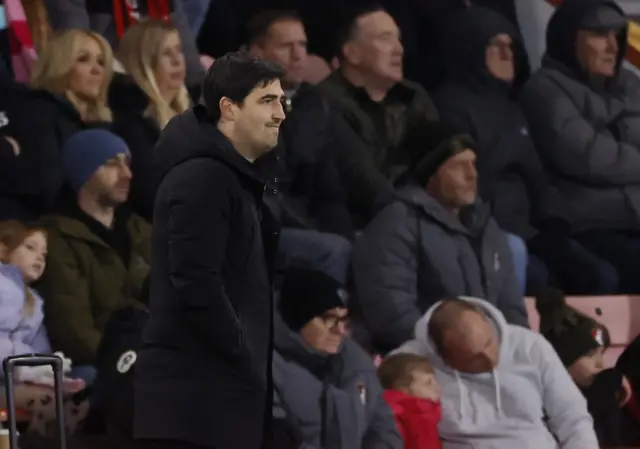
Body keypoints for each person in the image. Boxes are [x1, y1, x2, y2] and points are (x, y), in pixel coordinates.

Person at [133, 51, 284, 449]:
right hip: (194, 409)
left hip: (218, 404)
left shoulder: (232, 177)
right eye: (267, 101)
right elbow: (195, 281)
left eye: (282, 101)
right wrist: (241, 349)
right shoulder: (203, 176)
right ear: (228, 108)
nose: (280, 114)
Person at [434, 5, 619, 295]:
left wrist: (554, 222)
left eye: (511, 46)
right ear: (469, 48)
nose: (508, 55)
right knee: (538, 276)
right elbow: (465, 183)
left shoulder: (513, 107)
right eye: (495, 46)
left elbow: (537, 176)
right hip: (486, 232)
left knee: (599, 275)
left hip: (531, 230)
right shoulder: (449, 107)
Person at [353, 123, 527, 353]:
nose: (472, 175)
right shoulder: (396, 223)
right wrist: (454, 349)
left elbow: (511, 306)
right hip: (428, 361)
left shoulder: (486, 226)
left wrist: (512, 349)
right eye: (458, 166)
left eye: (473, 164)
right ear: (430, 176)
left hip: (486, 356)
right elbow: (391, 314)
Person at [519, 0, 640, 293]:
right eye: (600, 35)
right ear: (569, 40)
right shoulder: (544, 89)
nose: (613, 47)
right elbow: (585, 157)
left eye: (617, 35)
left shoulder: (630, 83)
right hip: (587, 223)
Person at [393, 296, 599, 449]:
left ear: (485, 319)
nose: (490, 359)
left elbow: (572, 416)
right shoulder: (409, 365)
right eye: (474, 358)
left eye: (489, 343)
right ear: (444, 356)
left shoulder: (530, 346)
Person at [247, 10, 353, 282]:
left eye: (303, 45)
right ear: (258, 52)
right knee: (333, 250)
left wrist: (340, 229)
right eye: (286, 46)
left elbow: (329, 187)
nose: (298, 56)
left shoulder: (313, 103)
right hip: (257, 228)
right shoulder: (241, 105)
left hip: (305, 222)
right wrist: (317, 231)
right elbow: (264, 194)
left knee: (367, 245)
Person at [38, 130, 150, 383]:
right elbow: (73, 332)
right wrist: (131, 359)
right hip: (102, 363)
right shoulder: (58, 238)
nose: (127, 174)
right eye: (112, 164)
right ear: (83, 173)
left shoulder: (140, 230)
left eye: (127, 164)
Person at [317, 4, 439, 227]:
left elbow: (444, 160)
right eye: (385, 39)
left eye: (398, 39)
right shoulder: (325, 104)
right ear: (352, 53)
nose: (399, 49)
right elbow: (365, 185)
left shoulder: (413, 96)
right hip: (368, 225)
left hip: (423, 215)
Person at [273, 268, 403, 449]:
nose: (340, 331)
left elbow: (383, 428)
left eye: (344, 320)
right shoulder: (263, 367)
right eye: (330, 320)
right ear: (297, 319)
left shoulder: (356, 361)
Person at [536, 288, 640, 446]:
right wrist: (608, 382)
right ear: (564, 362)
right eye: (589, 355)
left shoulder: (608, 391)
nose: (600, 363)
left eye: (601, 354)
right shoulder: (551, 400)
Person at [111, 19, 191, 223]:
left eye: (179, 50)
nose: (177, 60)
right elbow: (150, 196)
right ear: (142, 62)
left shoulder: (191, 114)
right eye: (166, 53)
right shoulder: (132, 122)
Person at [378, 353, 442, 449]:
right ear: (403, 389)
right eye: (428, 383)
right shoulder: (398, 416)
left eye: (435, 381)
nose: (437, 388)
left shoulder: (424, 413)